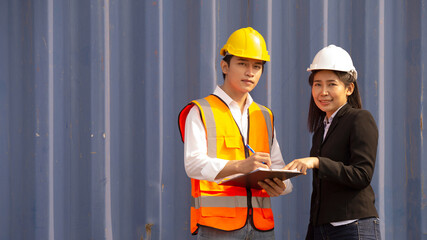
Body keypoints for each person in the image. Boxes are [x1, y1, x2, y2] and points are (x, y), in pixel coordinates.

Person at [178, 27, 293, 239]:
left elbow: (278, 168)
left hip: (261, 228)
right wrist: (241, 166)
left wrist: (281, 185)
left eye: (257, 66)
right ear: (225, 66)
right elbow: (193, 164)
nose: (250, 72)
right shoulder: (201, 111)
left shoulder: (265, 115)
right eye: (242, 64)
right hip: (217, 227)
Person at [284, 45, 381, 240]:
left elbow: (362, 174)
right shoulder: (321, 130)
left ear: (349, 88)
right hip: (323, 230)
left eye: (331, 84)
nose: (323, 91)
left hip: (353, 228)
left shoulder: (360, 119)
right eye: (317, 84)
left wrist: (318, 162)